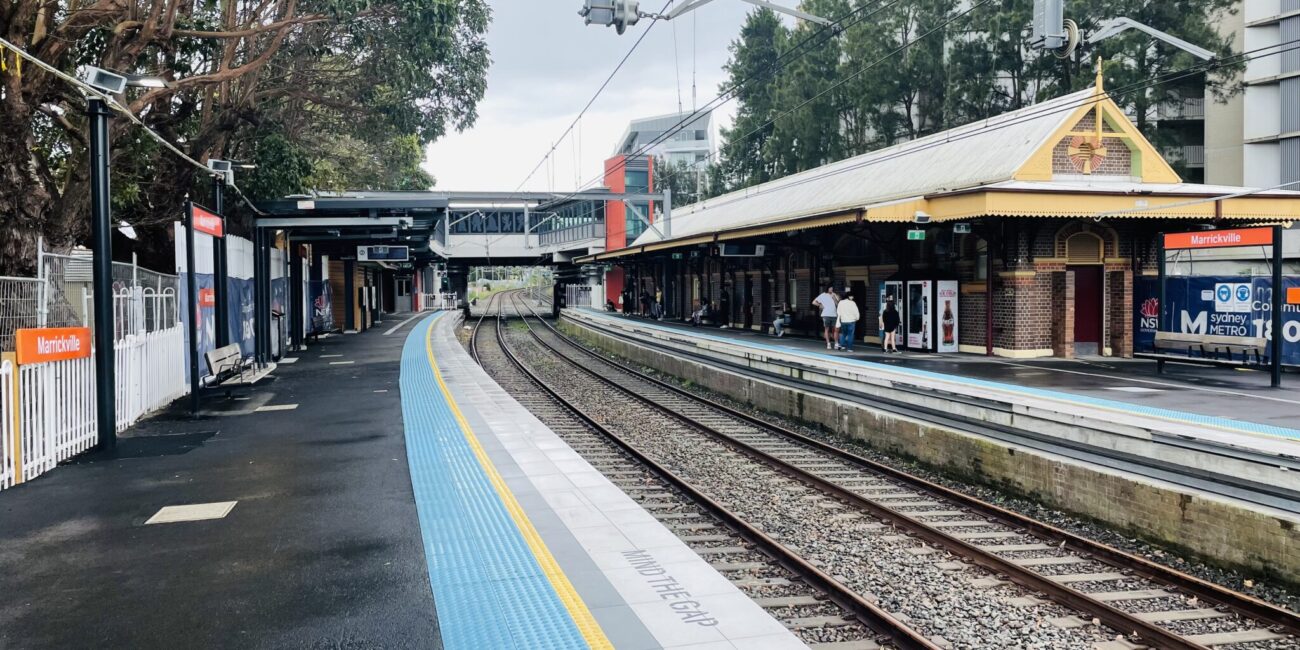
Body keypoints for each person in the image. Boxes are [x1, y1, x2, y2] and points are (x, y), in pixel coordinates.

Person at [811, 285, 838, 350]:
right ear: (827, 288)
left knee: (835, 329)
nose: (831, 289)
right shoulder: (822, 295)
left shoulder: (834, 294)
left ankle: (836, 343)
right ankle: (828, 343)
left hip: (834, 314)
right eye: (830, 288)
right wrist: (820, 305)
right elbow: (813, 302)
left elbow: (837, 304)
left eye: (832, 288)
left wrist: (834, 298)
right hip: (826, 314)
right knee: (827, 329)